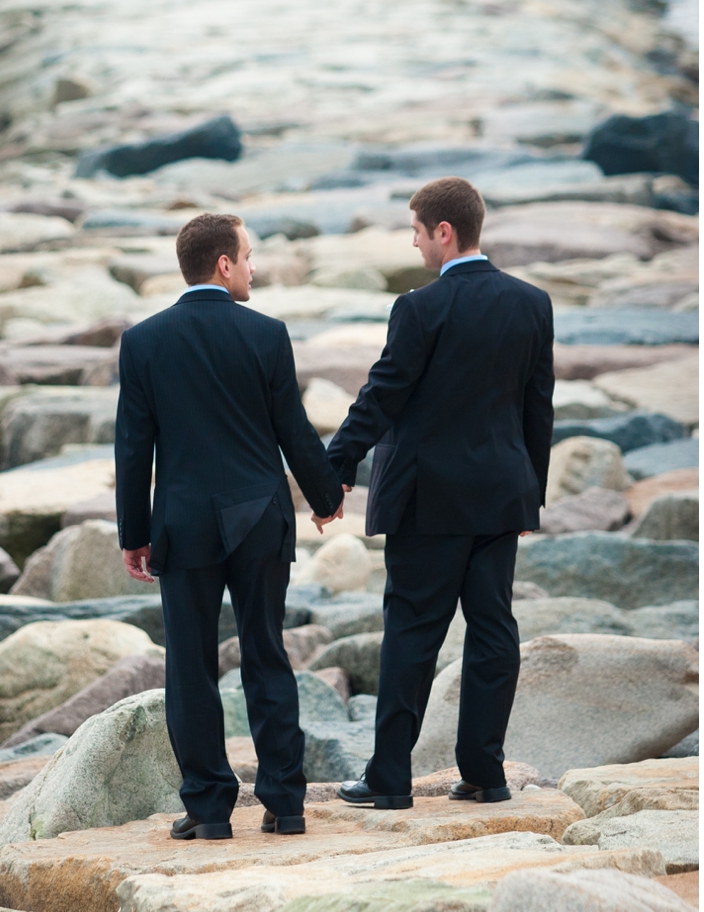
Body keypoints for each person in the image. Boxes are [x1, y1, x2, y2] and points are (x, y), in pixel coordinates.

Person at [325, 176, 554, 808]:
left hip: (428, 503)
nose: (416, 242)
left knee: (411, 635)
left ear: (444, 232)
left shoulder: (420, 308)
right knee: (492, 632)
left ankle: (389, 780)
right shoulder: (532, 303)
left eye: (417, 231)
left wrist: (333, 465)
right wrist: (528, 494)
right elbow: (539, 406)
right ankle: (485, 773)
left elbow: (382, 396)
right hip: (500, 497)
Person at [115, 213, 345, 840]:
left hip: (184, 525)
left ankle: (210, 811)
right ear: (223, 264)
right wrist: (325, 496)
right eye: (247, 256)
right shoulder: (266, 334)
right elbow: (291, 428)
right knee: (266, 654)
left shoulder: (144, 342)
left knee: (189, 667)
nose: (252, 267)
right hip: (259, 519)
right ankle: (285, 803)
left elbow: (134, 448)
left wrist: (133, 533)